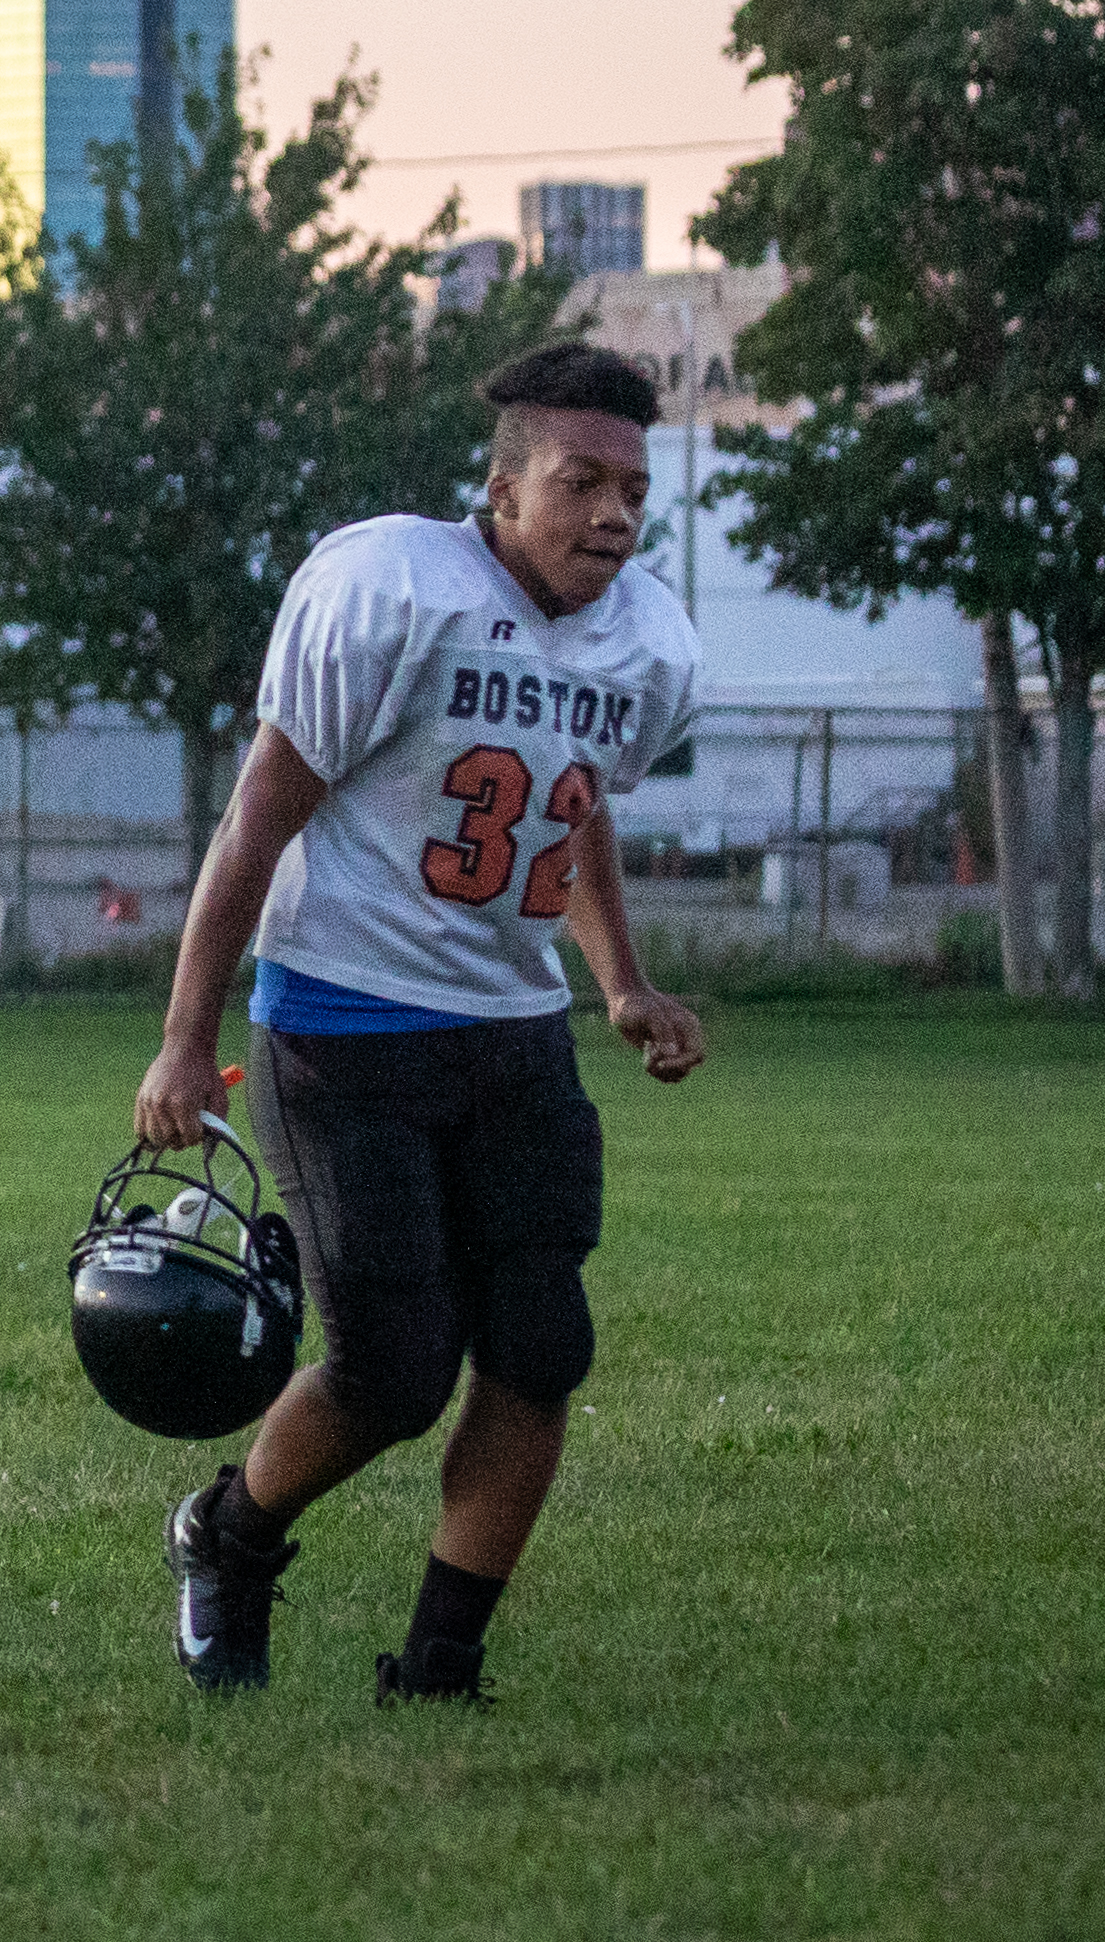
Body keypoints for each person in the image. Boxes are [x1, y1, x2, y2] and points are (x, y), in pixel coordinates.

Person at [138, 341, 708, 1704]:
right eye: (581, 482)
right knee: (394, 1370)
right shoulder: (390, 582)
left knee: (538, 1346)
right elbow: (262, 807)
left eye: (632, 487)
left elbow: (570, 804)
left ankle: (443, 1661)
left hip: (516, 1029)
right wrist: (182, 1034)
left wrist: (619, 976)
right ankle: (229, 1533)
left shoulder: (645, 639)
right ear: (504, 486)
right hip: (346, 1022)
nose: (614, 515)